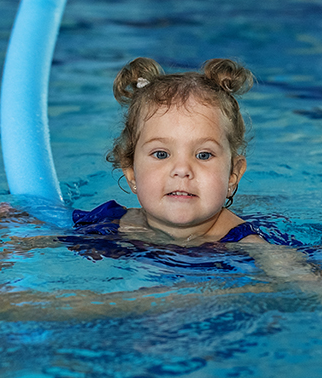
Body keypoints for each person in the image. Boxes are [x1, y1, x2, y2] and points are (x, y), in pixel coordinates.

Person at [73, 57, 277, 245]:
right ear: (131, 173)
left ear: (233, 174)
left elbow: (298, 279)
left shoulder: (248, 246)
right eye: (161, 154)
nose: (181, 169)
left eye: (203, 155)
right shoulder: (108, 222)